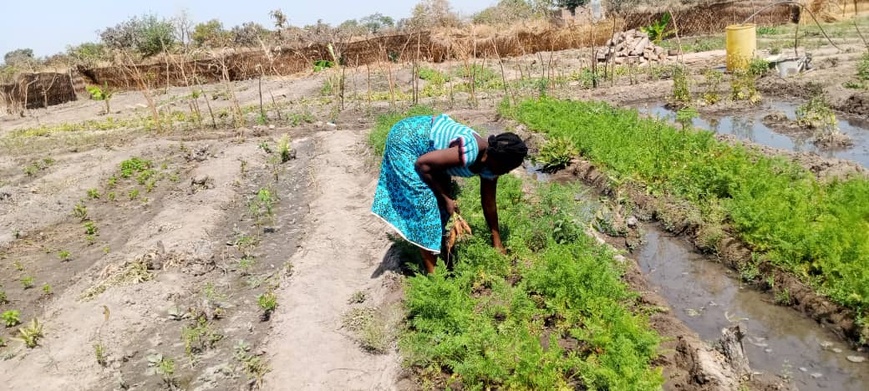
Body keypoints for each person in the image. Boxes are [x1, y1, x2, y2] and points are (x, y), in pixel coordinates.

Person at [371, 113, 528, 274]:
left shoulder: (491, 167)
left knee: (442, 207)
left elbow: (489, 203)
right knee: (426, 205)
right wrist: (446, 198)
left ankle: (442, 256)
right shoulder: (470, 152)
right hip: (406, 139)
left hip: (429, 153)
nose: (506, 172)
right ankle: (436, 278)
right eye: (507, 168)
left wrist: (497, 240)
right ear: (497, 159)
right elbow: (423, 164)